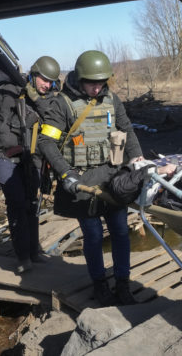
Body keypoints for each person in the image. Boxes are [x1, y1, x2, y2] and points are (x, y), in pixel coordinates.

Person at [38, 50, 144, 307]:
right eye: (92, 83)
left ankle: (122, 283)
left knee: (120, 231)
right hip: (83, 181)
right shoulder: (61, 104)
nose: (97, 88)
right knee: (94, 234)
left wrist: (138, 158)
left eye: (101, 83)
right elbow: (47, 142)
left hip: (111, 176)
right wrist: (66, 174)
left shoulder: (112, 99)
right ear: (80, 78)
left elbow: (126, 128)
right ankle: (100, 285)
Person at [0, 55, 61, 274]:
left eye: (51, 82)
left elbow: (52, 117)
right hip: (4, 155)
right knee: (17, 202)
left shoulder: (49, 100)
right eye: (44, 80)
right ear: (34, 75)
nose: (47, 85)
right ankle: (22, 257)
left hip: (32, 157)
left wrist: (35, 97)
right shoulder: (7, 90)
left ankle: (34, 252)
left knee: (32, 204)